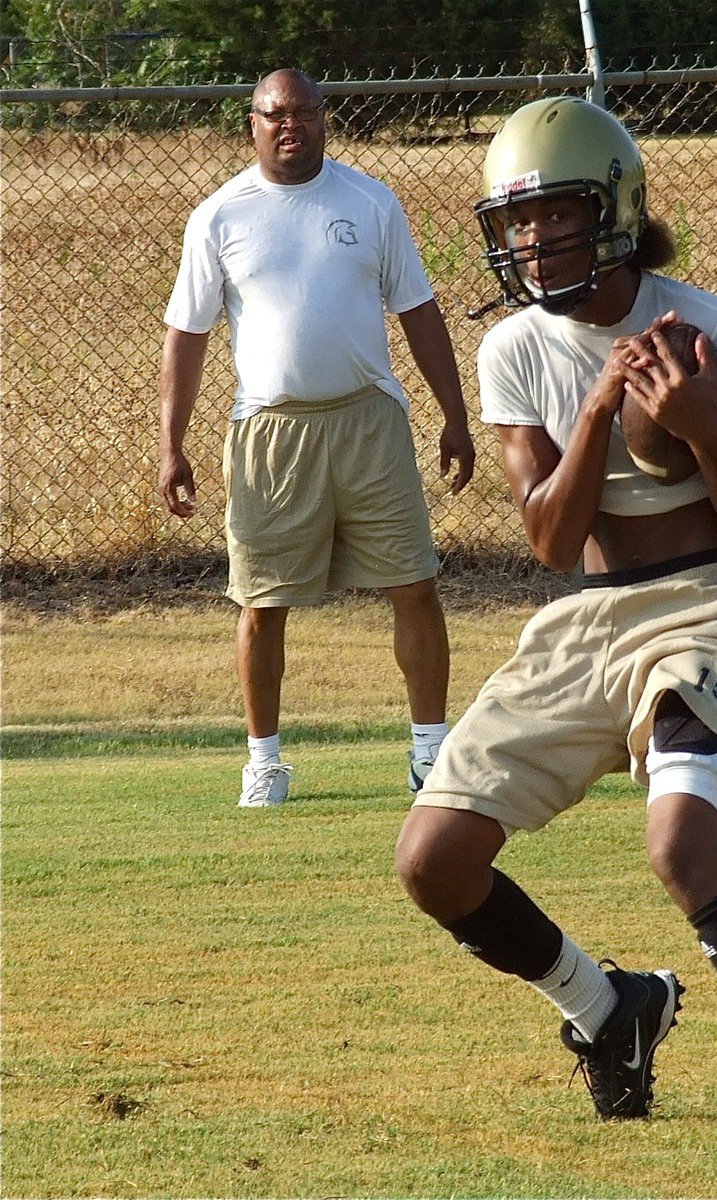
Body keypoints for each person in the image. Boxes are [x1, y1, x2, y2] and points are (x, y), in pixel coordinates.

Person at [395, 96, 717, 1152]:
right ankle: (607, 1007)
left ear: (612, 211)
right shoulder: (513, 348)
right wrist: (590, 413)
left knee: (680, 845)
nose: (533, 240)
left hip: (707, 607)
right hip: (584, 620)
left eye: (555, 214)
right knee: (432, 861)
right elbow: (549, 539)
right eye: (516, 221)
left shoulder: (705, 324)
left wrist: (701, 426)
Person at [159, 69, 475, 807]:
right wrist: (171, 444)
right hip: (270, 432)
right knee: (261, 602)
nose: (289, 126)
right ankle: (264, 763)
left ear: (324, 119)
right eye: (275, 114)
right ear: (253, 123)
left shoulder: (371, 202)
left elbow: (418, 311)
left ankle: (430, 753)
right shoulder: (219, 216)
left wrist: (454, 416)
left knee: (414, 585)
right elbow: (187, 335)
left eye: (303, 112)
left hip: (370, 423)